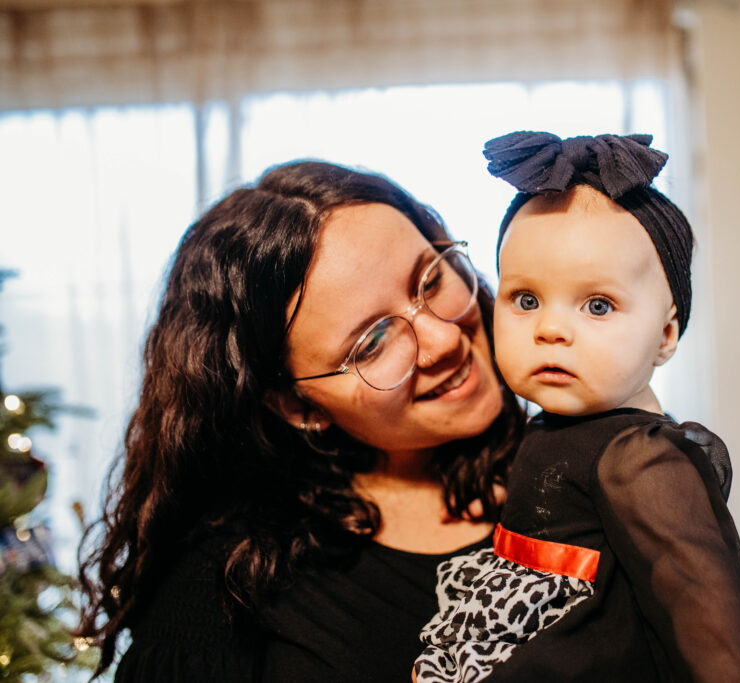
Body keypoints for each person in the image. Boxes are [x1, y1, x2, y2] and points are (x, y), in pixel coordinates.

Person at [76, 160, 525, 682]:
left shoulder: (584, 473)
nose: (445, 340)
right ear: (299, 407)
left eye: (429, 280)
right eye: (372, 343)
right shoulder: (224, 589)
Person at [414, 132, 740, 682]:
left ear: (665, 336)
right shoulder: (546, 429)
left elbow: (709, 612)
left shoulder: (639, 459)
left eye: (597, 305)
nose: (550, 329)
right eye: (525, 299)